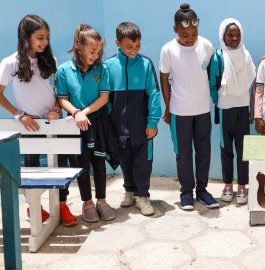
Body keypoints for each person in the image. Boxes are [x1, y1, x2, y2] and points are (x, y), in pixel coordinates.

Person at [0, 14, 77, 226]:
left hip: (54, 123)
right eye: (40, 37)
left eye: (47, 37)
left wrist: (55, 108)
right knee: (31, 167)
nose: (44, 42)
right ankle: (34, 207)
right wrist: (19, 114)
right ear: (26, 37)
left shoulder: (50, 61)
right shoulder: (10, 63)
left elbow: (58, 92)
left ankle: (62, 205)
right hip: (30, 126)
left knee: (60, 165)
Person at [159, 3, 219, 211]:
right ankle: (186, 193)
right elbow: (164, 80)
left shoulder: (206, 46)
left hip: (203, 110)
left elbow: (212, 76)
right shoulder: (168, 50)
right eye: (185, 34)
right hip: (179, 112)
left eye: (194, 32)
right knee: (183, 154)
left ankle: (202, 191)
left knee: (204, 152)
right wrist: (167, 108)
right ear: (175, 29)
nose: (191, 37)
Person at [56, 24, 116, 223]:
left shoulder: (102, 69)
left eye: (98, 51)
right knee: (82, 164)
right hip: (75, 124)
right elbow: (62, 99)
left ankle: (101, 200)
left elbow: (104, 97)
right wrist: (75, 113)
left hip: (97, 122)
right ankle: (87, 202)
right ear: (78, 47)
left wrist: (85, 112)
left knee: (98, 161)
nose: (96, 55)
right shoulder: (64, 70)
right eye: (92, 51)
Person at [105, 22, 161, 216]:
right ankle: (129, 191)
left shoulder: (146, 64)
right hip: (118, 126)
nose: (134, 50)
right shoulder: (108, 66)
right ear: (117, 43)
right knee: (124, 159)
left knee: (143, 161)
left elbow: (154, 92)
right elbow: (106, 98)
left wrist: (153, 122)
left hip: (142, 125)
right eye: (129, 46)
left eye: (138, 46)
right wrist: (111, 120)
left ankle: (142, 195)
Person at [209, 18, 256, 205]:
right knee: (226, 149)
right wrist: (219, 101)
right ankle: (228, 185)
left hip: (243, 108)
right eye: (230, 35)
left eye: (237, 34)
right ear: (223, 36)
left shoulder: (246, 55)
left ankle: (242, 187)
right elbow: (212, 84)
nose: (234, 38)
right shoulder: (218, 57)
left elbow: (252, 79)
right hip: (225, 109)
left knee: (243, 149)